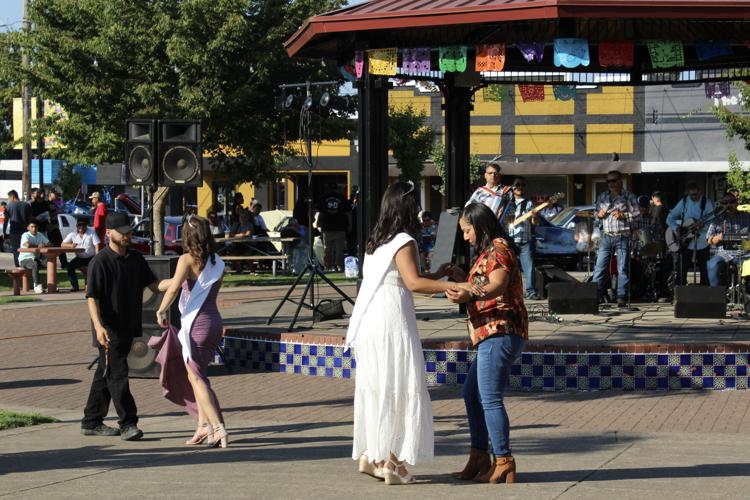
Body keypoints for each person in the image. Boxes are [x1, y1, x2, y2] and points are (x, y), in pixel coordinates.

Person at [346, 181, 479, 486]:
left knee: (379, 386)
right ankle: (393, 463)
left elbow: (405, 278)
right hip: (390, 320)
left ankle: (372, 456)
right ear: (406, 207)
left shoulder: (377, 240)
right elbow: (413, 284)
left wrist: (437, 275)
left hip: (370, 319)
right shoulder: (404, 240)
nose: (420, 209)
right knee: (400, 386)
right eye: (415, 203)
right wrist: (455, 285)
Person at [445, 202, 528, 484]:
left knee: (489, 399)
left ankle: (503, 459)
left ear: (478, 227)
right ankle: (480, 455)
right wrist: (461, 279)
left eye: (467, 231)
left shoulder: (499, 248)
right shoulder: (487, 252)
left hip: (500, 330)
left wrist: (469, 294)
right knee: (472, 394)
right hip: (489, 334)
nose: (465, 236)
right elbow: (484, 283)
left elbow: (498, 285)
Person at [81, 212, 158, 441]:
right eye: (122, 232)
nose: (127, 235)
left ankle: (91, 421)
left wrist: (180, 282)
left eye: (129, 231)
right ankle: (128, 423)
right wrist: (98, 327)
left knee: (105, 373)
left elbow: (155, 285)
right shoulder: (99, 262)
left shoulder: (135, 258)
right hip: (108, 328)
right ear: (109, 233)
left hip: (128, 325)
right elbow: (91, 297)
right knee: (117, 374)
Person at [153, 215, 228, 448]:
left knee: (196, 378)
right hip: (214, 323)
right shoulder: (218, 263)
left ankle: (218, 428)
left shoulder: (186, 259)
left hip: (196, 325)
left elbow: (174, 288)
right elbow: (188, 285)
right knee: (198, 376)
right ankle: (203, 427)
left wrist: (161, 310)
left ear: (187, 236)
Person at [592, 170, 639, 307]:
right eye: (608, 181)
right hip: (606, 235)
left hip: (622, 235)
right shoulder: (602, 197)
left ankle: (621, 297)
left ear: (620, 181)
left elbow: (637, 215)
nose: (611, 184)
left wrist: (624, 215)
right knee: (600, 267)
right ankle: (596, 295)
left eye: (613, 181)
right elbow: (595, 213)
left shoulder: (628, 196)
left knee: (622, 268)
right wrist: (598, 214)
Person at [667, 181, 713, 286]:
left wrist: (704, 226)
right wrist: (676, 228)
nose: (694, 197)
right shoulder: (684, 202)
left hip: (702, 241)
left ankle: (704, 294)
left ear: (700, 192)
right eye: (691, 195)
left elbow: (713, 222)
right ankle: (679, 293)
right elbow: (670, 218)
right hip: (685, 241)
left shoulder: (707, 203)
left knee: (704, 270)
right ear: (688, 193)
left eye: (696, 194)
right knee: (682, 269)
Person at [505, 176, 539, 300]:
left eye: (523, 185)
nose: (520, 187)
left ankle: (531, 291)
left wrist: (535, 217)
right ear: (512, 187)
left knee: (529, 267)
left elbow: (534, 223)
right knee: (508, 268)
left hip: (525, 240)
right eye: (517, 185)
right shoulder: (506, 203)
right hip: (509, 240)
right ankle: (509, 291)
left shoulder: (529, 203)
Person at [707, 194, 750, 287]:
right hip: (724, 253)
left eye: (731, 202)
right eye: (725, 203)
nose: (728, 205)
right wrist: (718, 237)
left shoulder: (747, 217)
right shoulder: (717, 219)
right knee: (712, 264)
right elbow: (709, 240)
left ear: (737, 202)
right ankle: (716, 295)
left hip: (745, 253)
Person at [317, 182, 350, 272]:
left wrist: (319, 224)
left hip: (327, 227)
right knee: (339, 250)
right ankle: (339, 266)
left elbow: (321, 213)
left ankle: (328, 267)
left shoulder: (323, 198)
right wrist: (349, 225)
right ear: (337, 188)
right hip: (340, 227)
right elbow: (347, 213)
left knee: (327, 249)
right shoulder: (342, 198)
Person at [61, 219, 100, 291]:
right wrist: (71, 246)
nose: (81, 227)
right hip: (79, 258)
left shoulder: (91, 233)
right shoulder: (73, 234)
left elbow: (97, 244)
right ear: (76, 226)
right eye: (79, 225)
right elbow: (62, 244)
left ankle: (90, 286)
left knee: (92, 269)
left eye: (83, 225)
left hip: (90, 257)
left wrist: (97, 258)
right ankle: (75, 286)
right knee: (70, 267)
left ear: (86, 226)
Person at [18, 221, 49, 294]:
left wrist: (44, 245)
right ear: (28, 228)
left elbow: (49, 243)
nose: (34, 228)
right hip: (25, 259)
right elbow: (27, 245)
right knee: (35, 264)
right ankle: (37, 285)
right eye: (32, 227)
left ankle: (51, 285)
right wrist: (39, 246)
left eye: (35, 227)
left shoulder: (40, 234)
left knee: (50, 263)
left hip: (37, 258)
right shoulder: (25, 235)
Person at [3, 190, 31, 266]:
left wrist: (4, 232)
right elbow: (30, 219)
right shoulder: (26, 205)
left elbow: (5, 220)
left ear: (12, 196)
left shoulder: (9, 206)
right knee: (25, 249)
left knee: (16, 250)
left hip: (14, 232)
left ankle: (18, 265)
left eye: (9, 198)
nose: (8, 199)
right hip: (25, 232)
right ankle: (26, 265)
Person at [46, 189, 67, 269]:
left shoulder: (54, 204)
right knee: (50, 247)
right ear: (50, 194)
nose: (57, 196)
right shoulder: (47, 204)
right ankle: (50, 263)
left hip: (55, 228)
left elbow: (60, 210)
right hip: (50, 229)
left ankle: (64, 263)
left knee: (60, 246)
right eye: (55, 194)